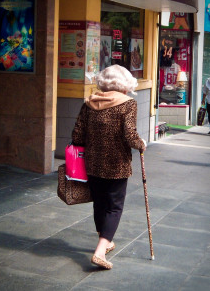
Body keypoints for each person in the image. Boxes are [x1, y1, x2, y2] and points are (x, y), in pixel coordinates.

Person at [72, 65, 146, 270]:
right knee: (114, 206)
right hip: (117, 164)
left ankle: (106, 240)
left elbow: (77, 135)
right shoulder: (128, 104)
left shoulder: (89, 102)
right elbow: (129, 135)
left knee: (100, 203)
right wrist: (142, 144)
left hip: (93, 162)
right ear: (125, 85)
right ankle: (100, 251)